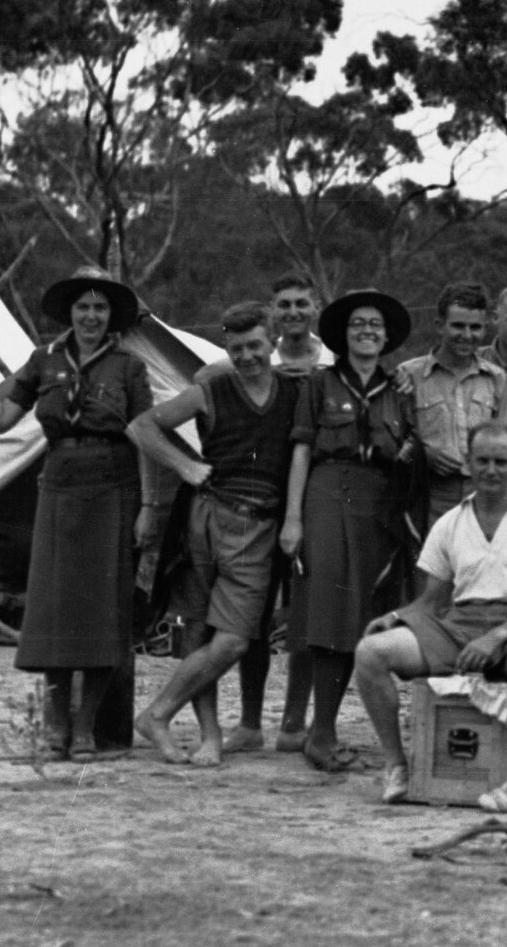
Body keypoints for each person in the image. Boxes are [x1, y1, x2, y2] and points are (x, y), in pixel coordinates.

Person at [0, 265, 155, 760]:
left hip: (113, 488)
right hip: (59, 486)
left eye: (100, 308)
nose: (91, 316)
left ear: (111, 315)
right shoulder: (43, 360)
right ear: (70, 312)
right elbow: (2, 419)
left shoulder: (129, 367)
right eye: (82, 307)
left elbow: (146, 437)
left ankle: (86, 727)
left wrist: (148, 507)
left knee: (99, 614)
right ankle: (53, 726)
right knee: (53, 612)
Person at [352, 421, 507, 812]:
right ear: (468, 463)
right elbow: (432, 602)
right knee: (371, 651)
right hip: (461, 625)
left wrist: (497, 637)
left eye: (500, 461)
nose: (491, 470)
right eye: (482, 461)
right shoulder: (451, 522)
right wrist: (395, 616)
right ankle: (397, 766)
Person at [130, 301, 298, 765]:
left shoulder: (295, 392)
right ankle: (210, 737)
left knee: (236, 639)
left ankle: (158, 713)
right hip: (205, 516)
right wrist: (185, 466)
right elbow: (142, 426)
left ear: (273, 342)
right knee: (200, 630)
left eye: (255, 346)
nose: (246, 356)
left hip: (257, 526)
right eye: (236, 347)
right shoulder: (210, 388)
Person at [280, 289, 420, 771]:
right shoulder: (319, 385)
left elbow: (407, 454)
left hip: (376, 507)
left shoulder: (399, 390)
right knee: (328, 612)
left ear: (386, 338)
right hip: (327, 494)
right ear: (342, 333)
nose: (367, 331)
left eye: (375, 326)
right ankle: (320, 733)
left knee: (359, 612)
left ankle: (323, 731)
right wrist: (293, 518)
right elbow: (300, 451)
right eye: (358, 324)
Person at [219, 271, 336, 756]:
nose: (292, 313)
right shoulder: (257, 356)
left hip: (316, 495)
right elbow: (214, 381)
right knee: (257, 613)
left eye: (301, 304)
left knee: (304, 613)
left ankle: (293, 720)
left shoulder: (329, 361)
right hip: (262, 495)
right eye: (283, 304)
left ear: (314, 308)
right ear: (273, 313)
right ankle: (250, 722)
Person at [398, 282, 507, 531]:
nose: (467, 335)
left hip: (483, 494)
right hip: (428, 495)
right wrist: (422, 454)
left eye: (475, 327)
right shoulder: (409, 375)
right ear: (440, 325)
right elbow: (396, 438)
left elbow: (504, 441)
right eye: (458, 325)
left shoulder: (496, 378)